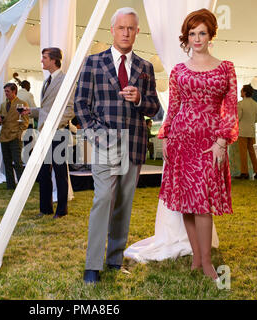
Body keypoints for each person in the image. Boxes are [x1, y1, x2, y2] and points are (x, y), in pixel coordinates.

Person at [132, 9, 238, 282]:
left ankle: (207, 263)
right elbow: (175, 107)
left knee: (204, 204)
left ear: (211, 34)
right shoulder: (178, 70)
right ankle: (197, 257)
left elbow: (230, 108)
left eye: (202, 32)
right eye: (192, 33)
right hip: (182, 140)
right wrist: (165, 136)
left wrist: (221, 141)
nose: (197, 38)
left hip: (210, 142)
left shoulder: (226, 67)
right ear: (187, 37)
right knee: (188, 204)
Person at [74, 7, 161, 284]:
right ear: (112, 30)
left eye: (131, 28)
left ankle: (114, 260)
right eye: (121, 27)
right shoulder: (92, 62)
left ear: (137, 31)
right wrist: (95, 135)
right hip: (104, 144)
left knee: (124, 204)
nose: (126, 32)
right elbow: (80, 104)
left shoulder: (145, 68)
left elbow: (155, 109)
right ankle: (92, 266)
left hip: (134, 145)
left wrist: (138, 99)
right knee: (103, 200)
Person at [25, 47, 75, 219]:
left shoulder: (65, 80)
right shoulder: (46, 82)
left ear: (54, 60)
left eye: (44, 58)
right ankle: (45, 209)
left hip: (59, 132)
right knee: (43, 172)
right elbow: (46, 110)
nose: (42, 61)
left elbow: (71, 109)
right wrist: (30, 111)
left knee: (60, 172)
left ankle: (62, 210)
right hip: (44, 134)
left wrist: (54, 125)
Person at [0, 83, 29, 190]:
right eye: (5, 91)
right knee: (7, 163)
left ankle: (22, 186)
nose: (6, 93)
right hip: (4, 137)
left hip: (15, 137)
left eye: (8, 91)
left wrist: (18, 134)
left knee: (18, 162)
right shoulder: (2, 105)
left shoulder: (22, 103)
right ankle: (10, 186)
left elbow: (25, 122)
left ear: (14, 91)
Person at [235, 84, 257, 179]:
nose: (240, 92)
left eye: (241, 91)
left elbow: (238, 118)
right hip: (251, 131)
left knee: (243, 153)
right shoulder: (256, 104)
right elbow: (256, 120)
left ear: (244, 92)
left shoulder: (240, 104)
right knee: (253, 153)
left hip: (242, 131)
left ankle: (244, 173)